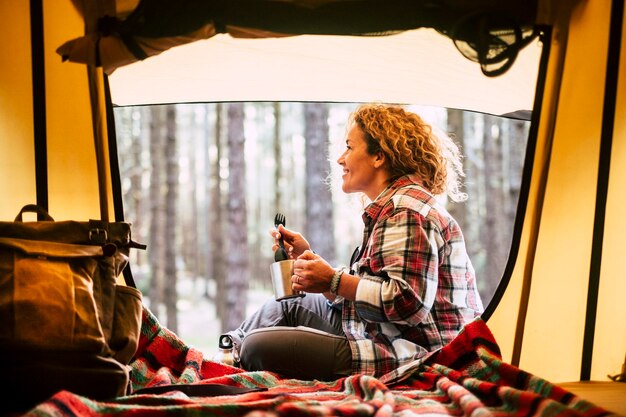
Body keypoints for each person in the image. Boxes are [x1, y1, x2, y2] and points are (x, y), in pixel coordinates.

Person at [221, 103, 484, 381]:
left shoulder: (405, 211)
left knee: (257, 346)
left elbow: (406, 303)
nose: (340, 159)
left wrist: (333, 280)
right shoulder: (392, 208)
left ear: (379, 156)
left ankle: (231, 361)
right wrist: (310, 261)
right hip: (386, 334)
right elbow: (371, 292)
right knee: (286, 305)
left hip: (414, 354)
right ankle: (225, 359)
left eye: (349, 147)